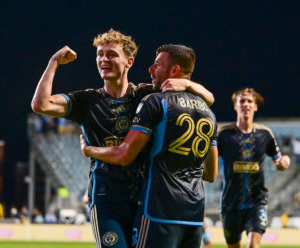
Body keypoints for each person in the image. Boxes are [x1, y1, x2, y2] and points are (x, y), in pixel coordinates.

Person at [31, 29, 214, 248]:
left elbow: (207, 100)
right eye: (100, 54)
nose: (103, 60)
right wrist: (53, 62)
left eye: (111, 54)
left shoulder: (147, 95)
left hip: (143, 198)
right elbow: (40, 105)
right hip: (107, 197)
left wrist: (188, 84)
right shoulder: (86, 100)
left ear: (129, 61)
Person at [80, 44, 218, 248]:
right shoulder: (209, 112)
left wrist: (89, 150)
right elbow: (211, 174)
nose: (151, 69)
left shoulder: (155, 102)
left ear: (174, 71)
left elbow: (126, 154)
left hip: (159, 210)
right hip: (194, 214)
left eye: (157, 65)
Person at [217, 88, 291, 248]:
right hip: (230, 204)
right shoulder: (223, 134)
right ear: (235, 106)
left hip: (256, 202)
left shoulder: (265, 134)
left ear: (256, 106)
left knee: (253, 245)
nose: (246, 104)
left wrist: (284, 161)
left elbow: (278, 161)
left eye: (250, 101)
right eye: (241, 101)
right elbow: (208, 161)